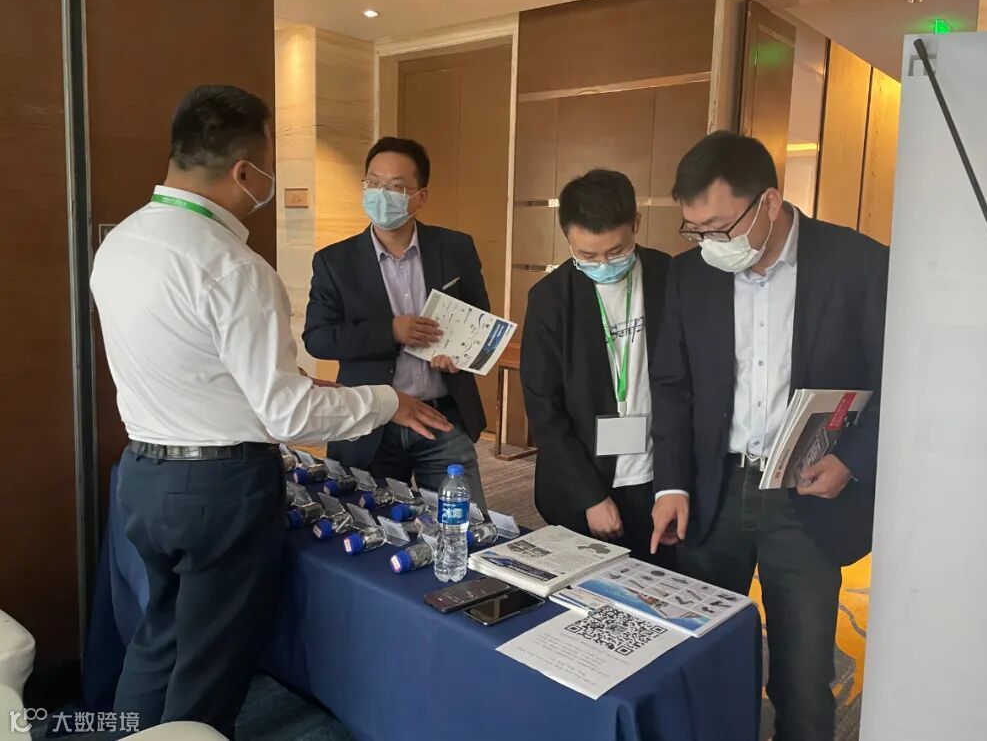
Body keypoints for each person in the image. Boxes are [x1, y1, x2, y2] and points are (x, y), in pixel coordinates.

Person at [90, 86, 450, 738]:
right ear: (244, 172)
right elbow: (287, 415)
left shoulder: (121, 242)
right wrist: (387, 401)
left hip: (143, 474)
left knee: (158, 637)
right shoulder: (234, 266)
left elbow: (191, 363)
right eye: (269, 165)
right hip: (217, 487)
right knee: (209, 661)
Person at [649, 132, 888, 741]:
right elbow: (673, 388)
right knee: (700, 656)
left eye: (720, 227)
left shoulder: (857, 264)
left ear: (771, 203)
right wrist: (671, 484)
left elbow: (897, 378)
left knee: (803, 677)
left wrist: (851, 460)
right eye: (695, 230)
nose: (709, 243)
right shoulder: (690, 274)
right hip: (714, 491)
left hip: (806, 495)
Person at [303, 137, 490, 507]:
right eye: (373, 183)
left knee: (462, 522)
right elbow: (318, 338)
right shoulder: (334, 261)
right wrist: (390, 331)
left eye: (396, 187)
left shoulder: (456, 248)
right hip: (370, 420)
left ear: (420, 196)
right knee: (369, 522)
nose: (381, 195)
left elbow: (478, 319)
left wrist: (460, 353)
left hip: (441, 414)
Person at [520, 169, 671, 562]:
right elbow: (544, 408)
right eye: (587, 255)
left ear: (636, 223)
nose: (603, 263)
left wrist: (677, 486)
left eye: (616, 252)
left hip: (656, 479)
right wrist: (589, 496)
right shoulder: (551, 300)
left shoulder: (668, 277)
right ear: (568, 238)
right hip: (583, 487)